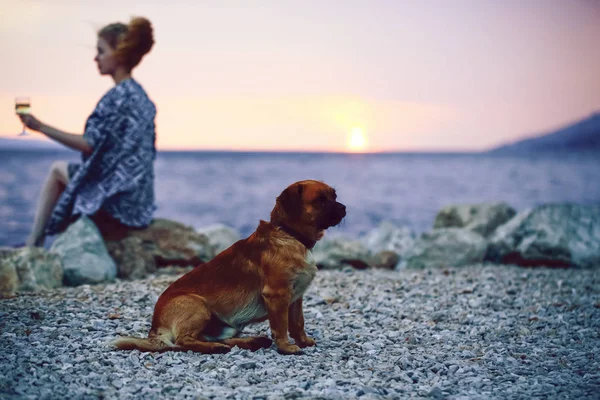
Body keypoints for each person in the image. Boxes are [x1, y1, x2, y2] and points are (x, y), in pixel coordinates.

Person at [18, 17, 157, 247]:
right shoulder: (144, 99)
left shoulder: (115, 98)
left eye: (101, 51)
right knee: (74, 174)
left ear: (119, 55)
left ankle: (34, 243)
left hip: (114, 204)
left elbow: (88, 144)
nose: (96, 58)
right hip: (139, 206)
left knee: (56, 170)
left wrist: (40, 126)